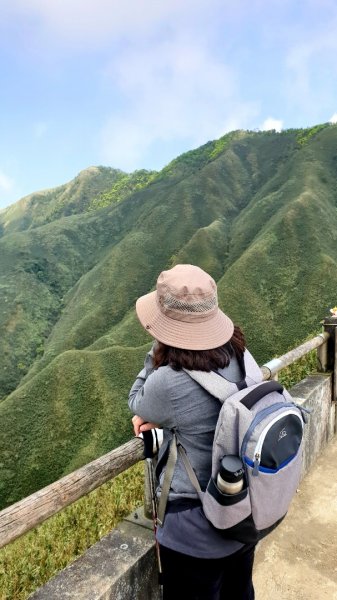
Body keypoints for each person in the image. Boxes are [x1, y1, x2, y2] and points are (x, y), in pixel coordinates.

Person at [128, 264, 262, 600]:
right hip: (243, 510)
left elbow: (137, 401)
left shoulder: (169, 380)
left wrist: (159, 348)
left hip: (194, 531)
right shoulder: (241, 355)